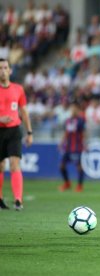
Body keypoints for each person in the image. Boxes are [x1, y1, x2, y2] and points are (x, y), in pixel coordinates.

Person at [0, 58, 33, 210]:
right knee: (1, 166)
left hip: (14, 130)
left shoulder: (18, 89)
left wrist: (29, 132)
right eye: (0, 68)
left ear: (10, 70)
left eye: (5, 67)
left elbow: (24, 111)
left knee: (15, 164)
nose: (3, 71)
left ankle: (18, 200)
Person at [59, 102, 86, 192]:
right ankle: (67, 183)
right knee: (62, 166)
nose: (73, 110)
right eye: (72, 108)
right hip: (68, 147)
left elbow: (83, 133)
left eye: (74, 108)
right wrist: (61, 143)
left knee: (79, 167)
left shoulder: (81, 120)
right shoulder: (68, 120)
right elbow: (66, 133)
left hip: (77, 147)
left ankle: (79, 185)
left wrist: (85, 144)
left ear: (77, 110)